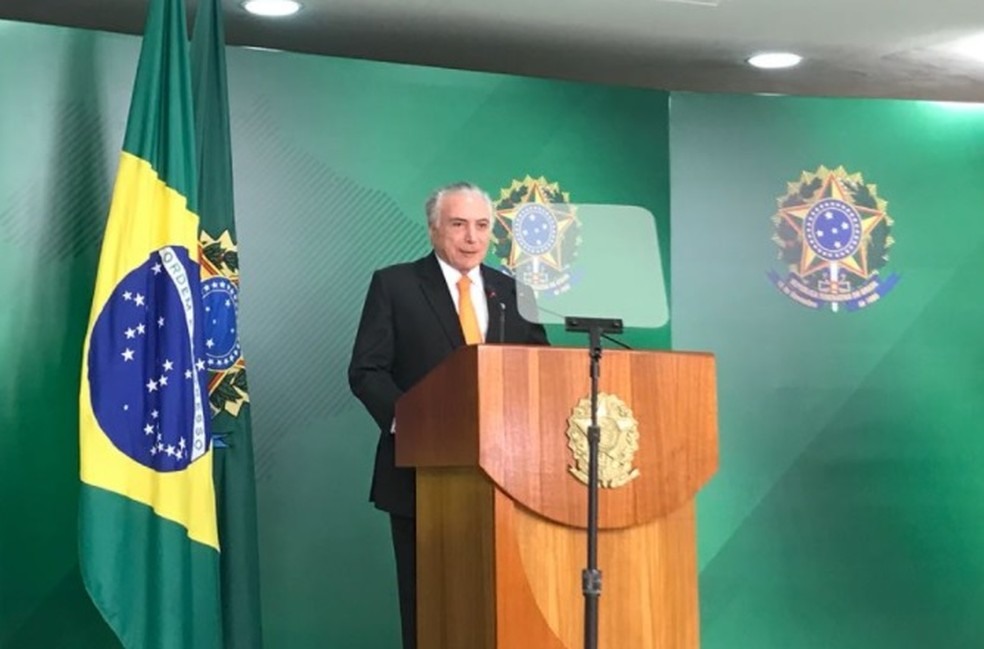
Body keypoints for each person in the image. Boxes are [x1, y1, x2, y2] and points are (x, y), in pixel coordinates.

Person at [348, 181, 549, 649]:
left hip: (507, 478)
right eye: (459, 225)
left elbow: (540, 368)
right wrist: (413, 423)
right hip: (421, 477)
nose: (471, 238)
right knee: (428, 613)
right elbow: (366, 371)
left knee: (498, 610)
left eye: (482, 226)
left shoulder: (512, 291)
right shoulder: (394, 285)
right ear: (435, 228)